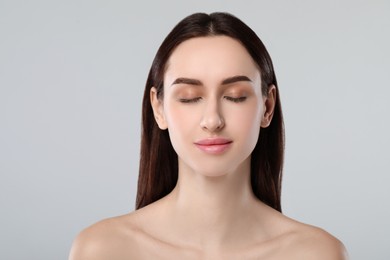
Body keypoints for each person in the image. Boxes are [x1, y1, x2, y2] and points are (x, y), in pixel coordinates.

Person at [69, 12, 348, 259]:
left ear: (268, 107)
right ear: (158, 108)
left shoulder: (318, 253)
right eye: (189, 98)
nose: (212, 120)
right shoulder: (102, 250)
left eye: (235, 96)